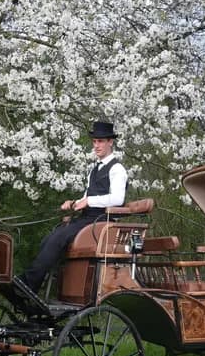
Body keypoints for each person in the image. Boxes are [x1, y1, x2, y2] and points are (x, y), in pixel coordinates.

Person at [17, 121, 128, 296]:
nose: (96, 145)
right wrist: (73, 203)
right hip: (87, 219)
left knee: (59, 237)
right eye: (94, 141)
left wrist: (89, 201)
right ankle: (42, 286)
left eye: (100, 141)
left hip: (101, 221)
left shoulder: (117, 169)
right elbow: (86, 197)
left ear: (110, 142)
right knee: (50, 237)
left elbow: (118, 199)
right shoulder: (94, 170)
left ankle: (28, 285)